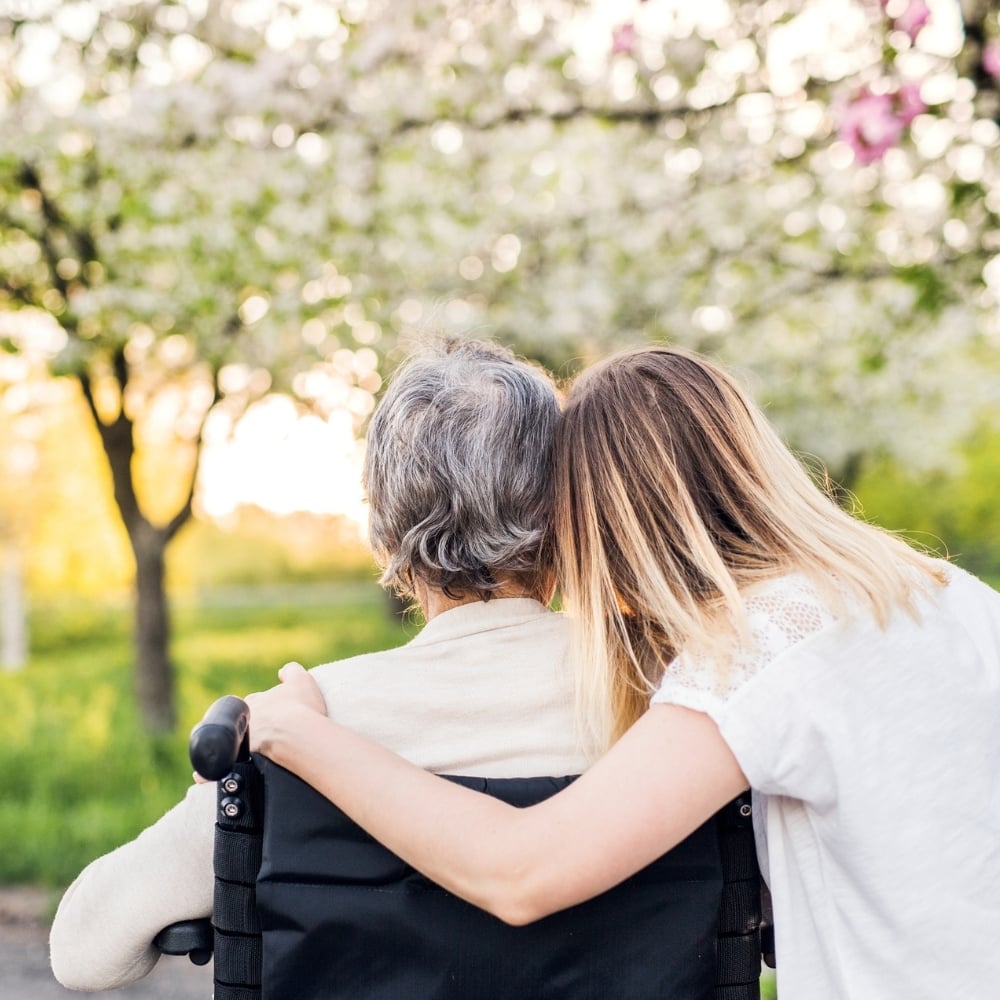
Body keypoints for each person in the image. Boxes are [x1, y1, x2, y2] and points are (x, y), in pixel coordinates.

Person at [244, 346, 1000, 1000]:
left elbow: (522, 873)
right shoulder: (941, 591)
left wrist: (297, 732)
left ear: (611, 526)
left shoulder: (761, 649)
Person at [49, 338, 592, 991]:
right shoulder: (676, 716)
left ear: (383, 535)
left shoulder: (299, 725)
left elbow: (83, 954)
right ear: (566, 518)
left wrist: (220, 794)